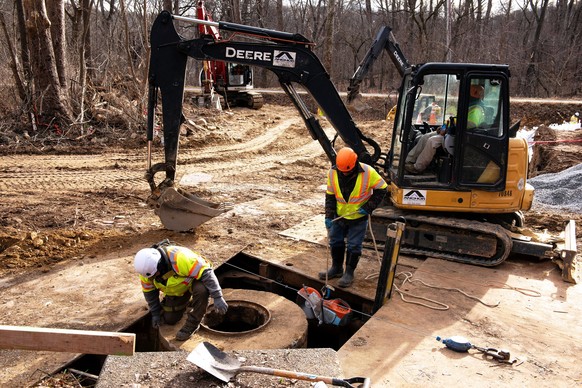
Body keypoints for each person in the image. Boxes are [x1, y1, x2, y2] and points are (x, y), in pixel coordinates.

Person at [320, 147, 388, 288]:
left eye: (347, 171)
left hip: (358, 218)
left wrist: (368, 207)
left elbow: (382, 188)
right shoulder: (333, 172)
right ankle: (337, 268)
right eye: (342, 171)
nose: (344, 174)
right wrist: (328, 215)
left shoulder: (368, 172)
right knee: (335, 242)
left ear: (355, 163)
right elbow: (330, 195)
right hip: (339, 216)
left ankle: (349, 273)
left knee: (354, 246)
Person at [133, 240, 228, 341]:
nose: (153, 277)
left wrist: (218, 296)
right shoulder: (146, 272)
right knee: (170, 319)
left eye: (155, 274)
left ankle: (193, 324)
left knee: (202, 290)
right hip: (178, 290)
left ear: (159, 264)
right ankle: (190, 302)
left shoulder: (181, 258)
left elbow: (206, 273)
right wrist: (155, 313)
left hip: (194, 282)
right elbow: (149, 293)